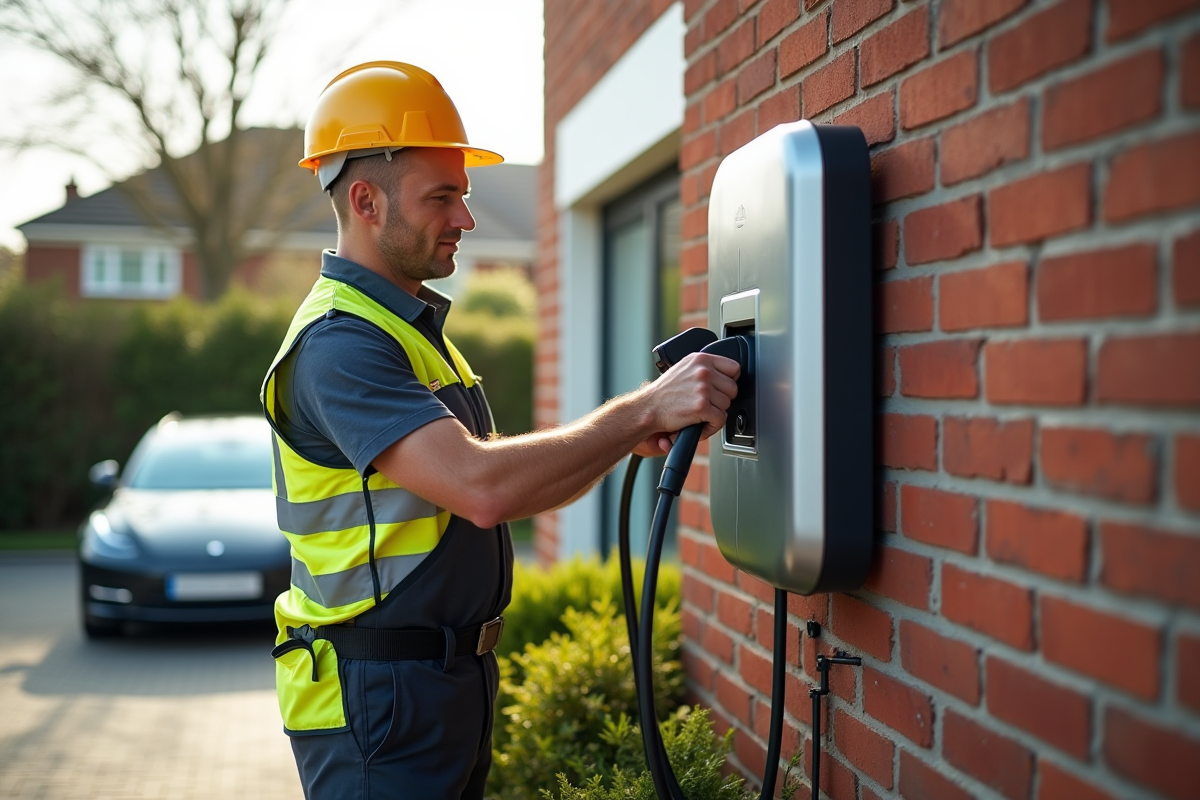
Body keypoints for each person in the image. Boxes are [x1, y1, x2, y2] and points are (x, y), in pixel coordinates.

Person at [260, 61, 740, 800]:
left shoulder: (409, 329)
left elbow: (496, 488)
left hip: (437, 685)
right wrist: (643, 410)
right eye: (442, 197)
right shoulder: (339, 346)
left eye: (464, 195)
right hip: (375, 705)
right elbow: (481, 487)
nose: (466, 219)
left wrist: (622, 437)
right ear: (366, 201)